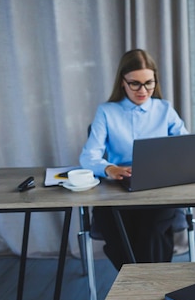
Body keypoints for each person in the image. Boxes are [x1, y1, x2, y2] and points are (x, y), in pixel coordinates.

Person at [79, 49, 188, 270]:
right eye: (135, 84)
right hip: (119, 188)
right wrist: (109, 168)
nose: (143, 90)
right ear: (122, 82)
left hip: (159, 188)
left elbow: (187, 147)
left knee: (152, 230)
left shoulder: (164, 108)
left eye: (149, 83)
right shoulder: (107, 112)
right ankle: (139, 283)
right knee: (117, 230)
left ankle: (144, 284)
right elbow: (88, 156)